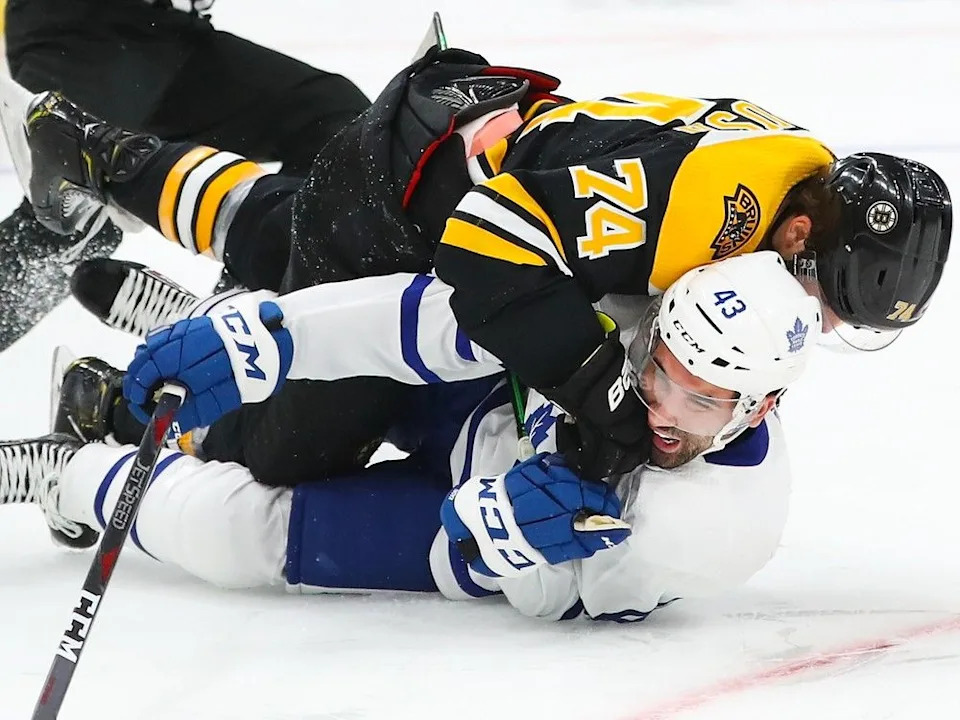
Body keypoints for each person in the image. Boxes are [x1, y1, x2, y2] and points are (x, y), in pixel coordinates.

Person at [17, 47, 952, 488]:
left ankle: (105, 158)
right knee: (292, 449)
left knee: (287, 233)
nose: (819, 325)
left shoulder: (795, 174)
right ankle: (105, 411)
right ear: (795, 237)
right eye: (827, 301)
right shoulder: (712, 212)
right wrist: (598, 389)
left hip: (442, 136)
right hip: (421, 212)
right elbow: (490, 249)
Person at [0, 251, 821, 621]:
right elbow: (434, 314)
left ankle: (69, 473)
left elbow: (553, 597)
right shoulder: (628, 304)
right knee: (307, 393)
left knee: (237, 536)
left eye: (703, 401)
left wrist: (505, 539)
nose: (664, 411)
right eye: (661, 371)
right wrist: (265, 335)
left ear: (760, 405)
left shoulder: (717, 525)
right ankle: (206, 330)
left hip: (468, 531)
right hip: (472, 403)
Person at [0, 0, 371, 349]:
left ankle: (242, 308)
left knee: (330, 118)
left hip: (165, 38)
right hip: (82, 34)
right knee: (77, 210)